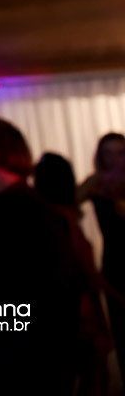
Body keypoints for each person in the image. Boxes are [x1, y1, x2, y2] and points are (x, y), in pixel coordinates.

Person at [0, 119, 82, 395]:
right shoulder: (16, 202)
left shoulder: (16, 206)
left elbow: (24, 285)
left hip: (28, 354)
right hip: (32, 349)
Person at [36, 152, 112, 396]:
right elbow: (86, 268)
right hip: (79, 307)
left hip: (57, 308)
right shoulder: (65, 218)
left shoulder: (42, 216)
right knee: (92, 376)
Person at [78, 132, 125, 368]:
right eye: (108, 153)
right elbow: (66, 205)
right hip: (115, 262)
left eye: (120, 153)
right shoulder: (96, 182)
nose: (114, 159)